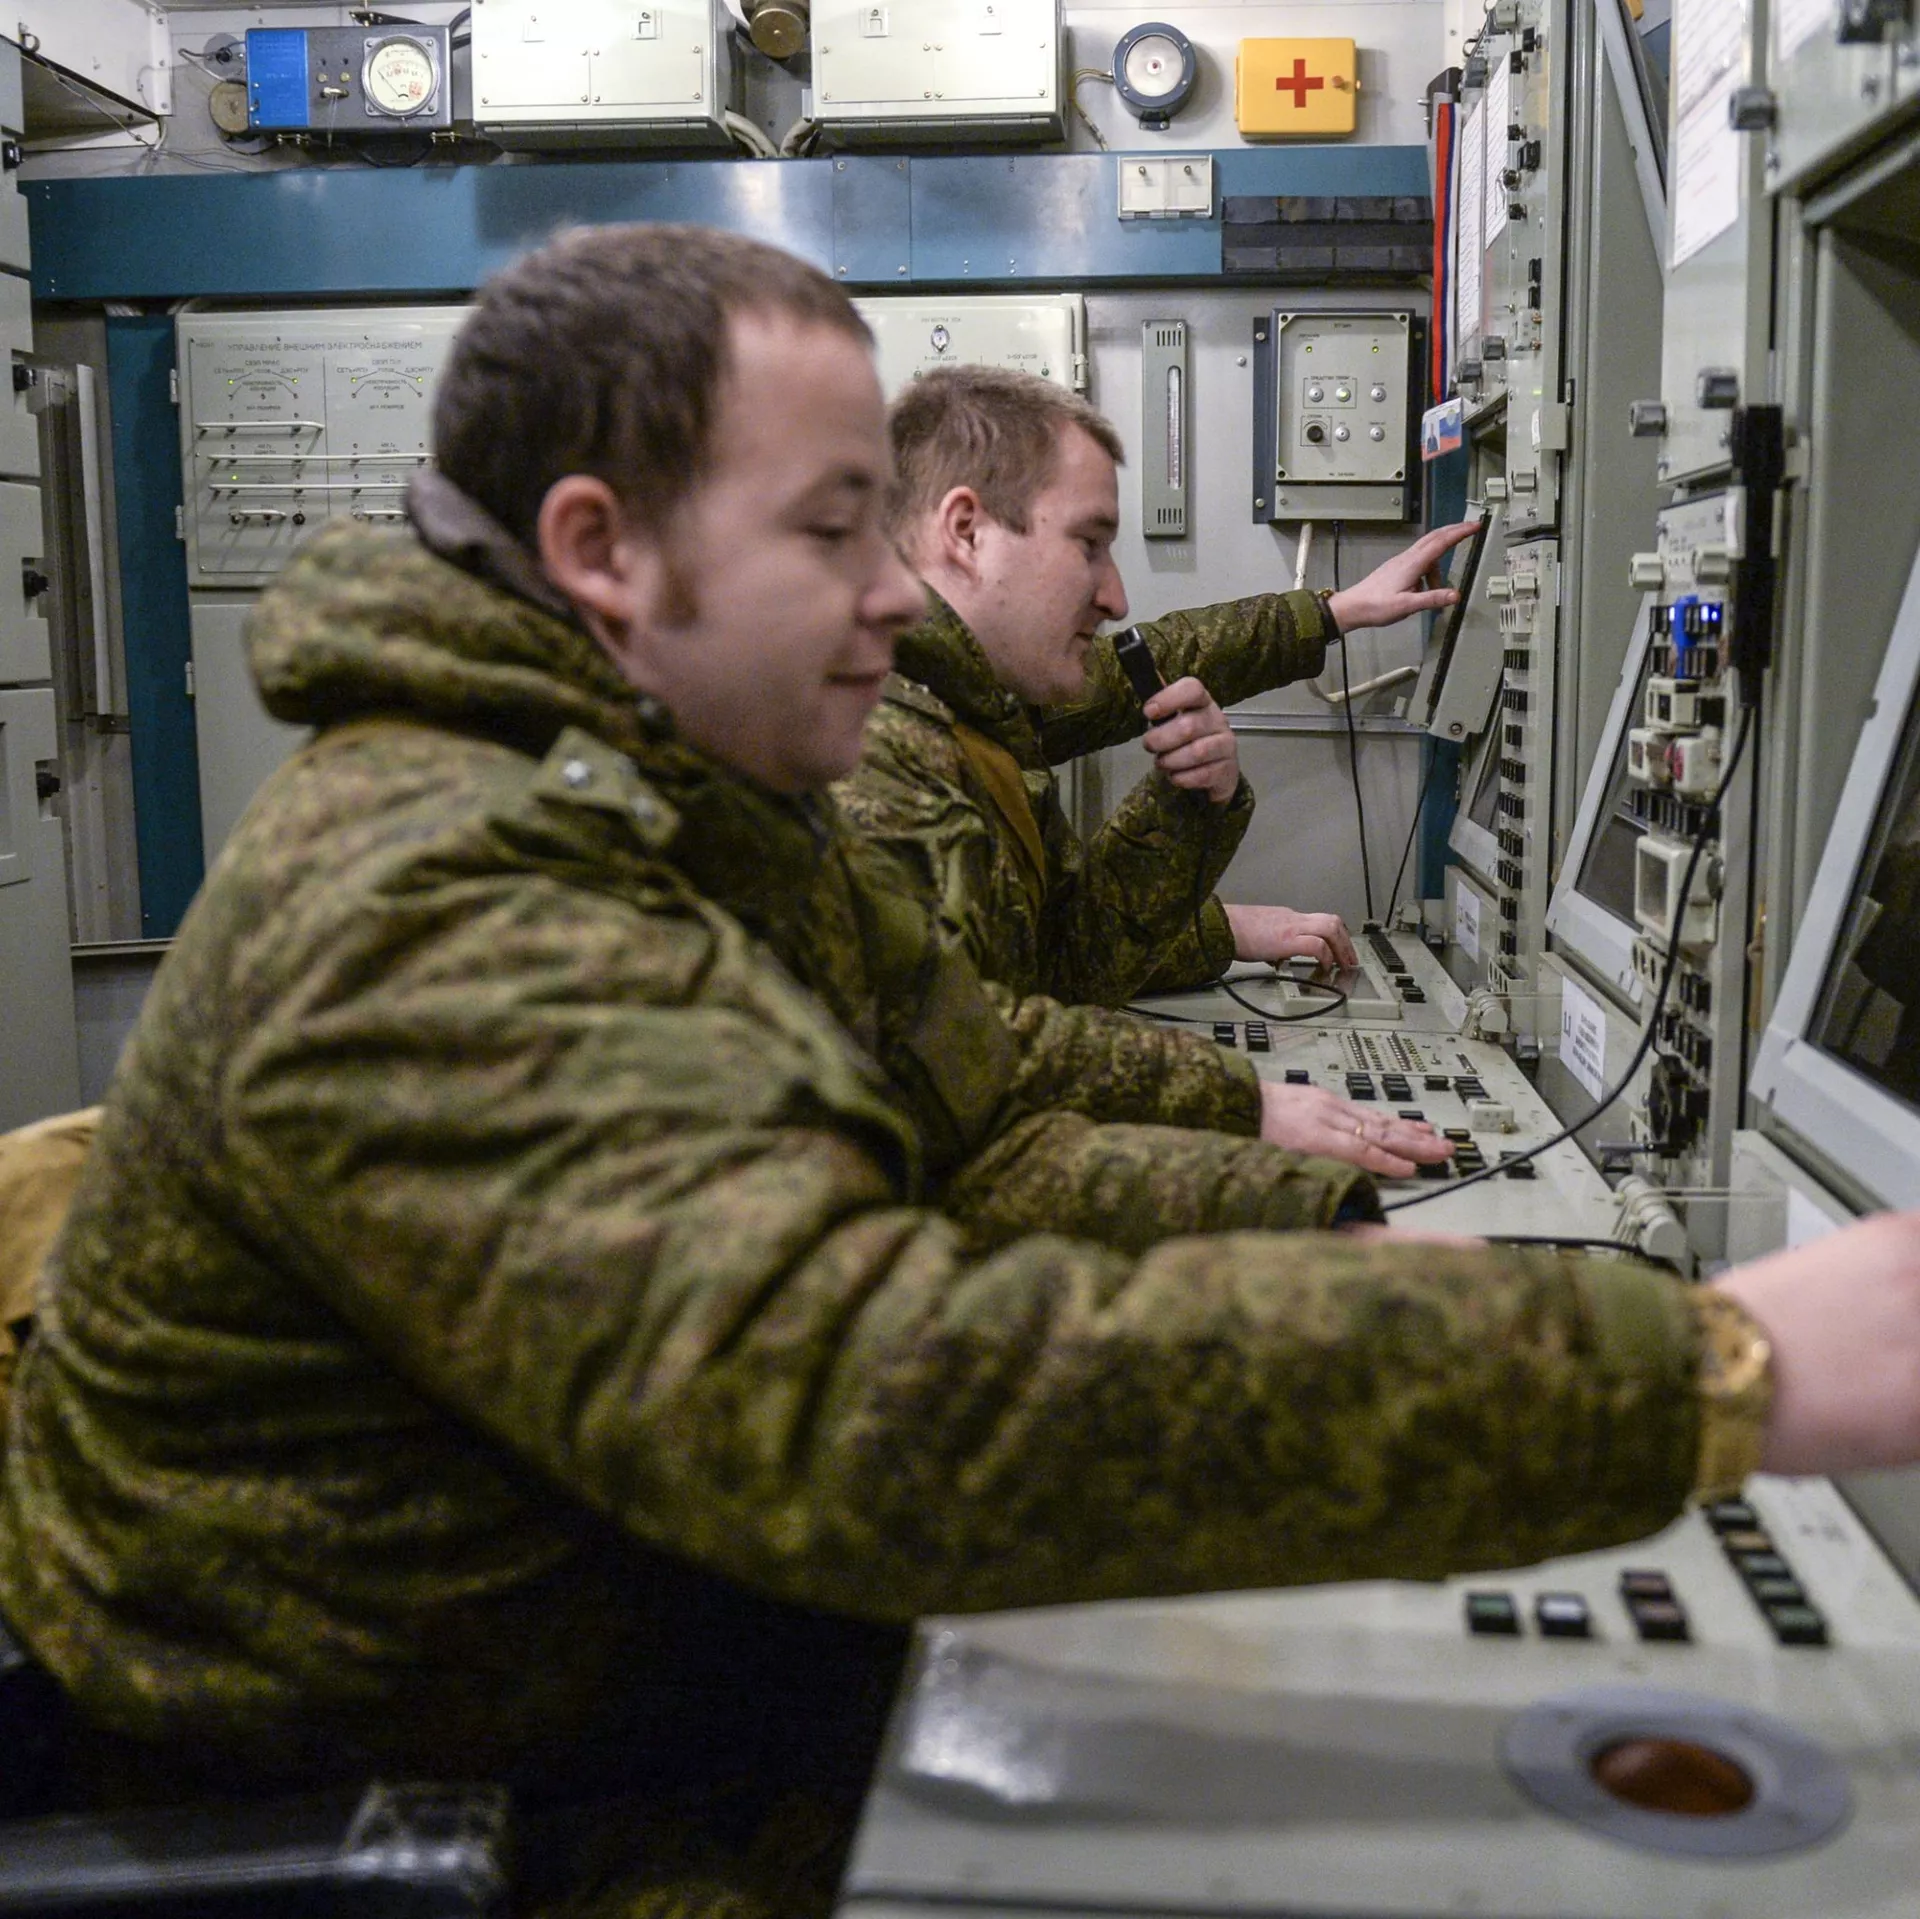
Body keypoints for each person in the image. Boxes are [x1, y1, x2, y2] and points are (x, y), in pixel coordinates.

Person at [4, 224, 1920, 1919]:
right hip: (483, 1789)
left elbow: (979, 1120)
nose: (896, 593)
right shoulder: (438, 893)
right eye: (832, 528)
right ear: (602, 551)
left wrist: (1325, 1229)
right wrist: (1703, 1374)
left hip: (647, 1657)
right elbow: (867, 1406)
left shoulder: (684, 802)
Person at [834, 364, 1475, 1009]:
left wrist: (1336, 613)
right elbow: (994, 1040)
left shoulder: (965, 692)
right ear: (966, 530)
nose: (1116, 599)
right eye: (1089, 543)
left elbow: (1050, 964)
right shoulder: (869, 755)